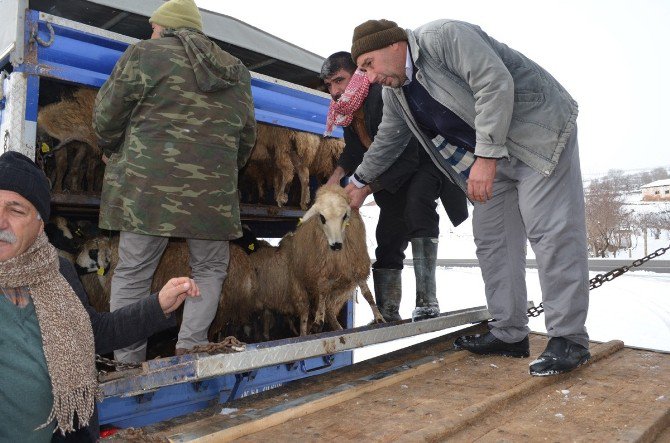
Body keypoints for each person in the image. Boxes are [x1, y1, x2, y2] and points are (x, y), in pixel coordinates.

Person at [345, 19, 591, 376]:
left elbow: (494, 83)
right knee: (492, 240)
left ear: (393, 45)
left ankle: (569, 339)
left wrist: (487, 157)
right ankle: (509, 333)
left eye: (368, 64)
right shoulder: (395, 93)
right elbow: (388, 141)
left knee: (550, 231)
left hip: (536, 131)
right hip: (490, 151)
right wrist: (360, 181)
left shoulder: (444, 38)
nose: (367, 76)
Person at [93, 0, 256, 361]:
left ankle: (127, 361)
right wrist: (224, 173)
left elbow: (106, 116)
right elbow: (246, 135)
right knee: (211, 269)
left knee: (134, 273)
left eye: (153, 27)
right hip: (212, 193)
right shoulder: (235, 70)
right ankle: (192, 347)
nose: (151, 34)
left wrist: (111, 148)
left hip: (148, 189)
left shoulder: (144, 55)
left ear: (165, 27)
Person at [0, 151, 199, 441]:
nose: (1, 221)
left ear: (40, 224)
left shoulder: (58, 273)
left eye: (15, 210)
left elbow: (93, 332)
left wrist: (158, 305)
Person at [321, 52, 467, 322]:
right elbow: (354, 151)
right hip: (391, 174)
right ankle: (387, 310)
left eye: (339, 80)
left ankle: (427, 300)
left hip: (424, 162)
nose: (335, 91)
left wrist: (365, 188)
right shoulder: (350, 109)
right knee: (388, 233)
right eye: (329, 85)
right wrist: (337, 176)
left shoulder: (381, 96)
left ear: (357, 73)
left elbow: (408, 156)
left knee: (417, 208)